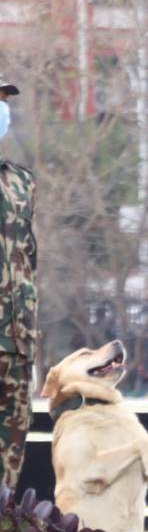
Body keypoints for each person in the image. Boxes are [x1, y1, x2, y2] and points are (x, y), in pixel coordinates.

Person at [0, 78, 33, 487]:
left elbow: (27, 258)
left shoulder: (21, 182)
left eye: (4, 101)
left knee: (12, 444)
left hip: (15, 340)